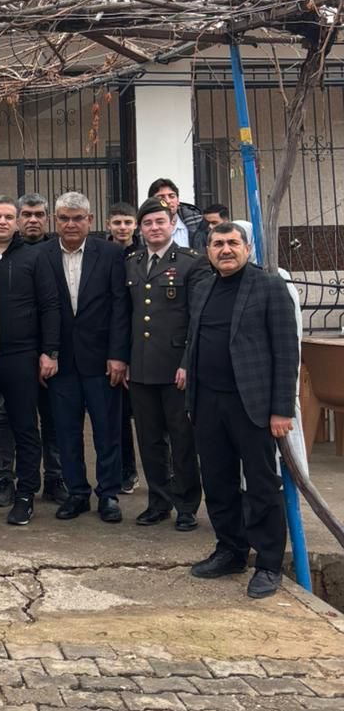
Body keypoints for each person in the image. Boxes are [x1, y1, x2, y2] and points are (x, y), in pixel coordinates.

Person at [183, 222, 300, 600]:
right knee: (218, 482)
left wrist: (281, 410)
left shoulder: (270, 287)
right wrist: (192, 400)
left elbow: (287, 352)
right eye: (218, 243)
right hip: (208, 403)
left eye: (233, 243)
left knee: (262, 485)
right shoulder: (203, 288)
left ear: (247, 249)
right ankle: (231, 551)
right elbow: (194, 343)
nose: (225, 249)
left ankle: (268, 564)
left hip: (253, 405)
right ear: (208, 251)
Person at [0, 196, 59, 527]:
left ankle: (25, 495)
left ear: (17, 222)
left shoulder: (35, 257)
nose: (3, 222)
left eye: (9, 216)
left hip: (22, 355)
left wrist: (49, 351)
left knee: (25, 427)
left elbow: (50, 305)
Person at [41, 192, 130, 524]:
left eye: (77, 218)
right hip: (61, 362)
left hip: (102, 361)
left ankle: (108, 494)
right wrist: (46, 353)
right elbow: (40, 308)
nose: (70, 224)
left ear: (90, 220)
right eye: (64, 218)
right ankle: (77, 492)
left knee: (107, 431)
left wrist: (118, 355)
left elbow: (120, 306)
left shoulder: (111, 254)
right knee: (66, 432)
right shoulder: (42, 255)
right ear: (55, 221)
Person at [125, 198, 212, 533]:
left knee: (182, 439)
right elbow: (126, 316)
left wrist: (189, 363)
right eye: (147, 223)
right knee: (149, 440)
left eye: (160, 222)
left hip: (176, 367)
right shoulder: (132, 263)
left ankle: (187, 505)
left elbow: (198, 318)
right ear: (140, 228)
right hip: (141, 366)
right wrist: (124, 359)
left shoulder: (192, 263)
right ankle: (158, 502)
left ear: (172, 225)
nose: (154, 228)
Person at [105, 202, 140, 492]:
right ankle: (125, 470)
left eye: (127, 222)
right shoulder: (102, 253)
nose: (122, 227)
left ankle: (165, 474)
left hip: (140, 342)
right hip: (112, 342)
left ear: (135, 225)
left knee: (150, 418)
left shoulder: (143, 253)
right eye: (117, 222)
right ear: (108, 225)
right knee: (117, 418)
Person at [146, 178, 207, 252]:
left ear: (178, 201)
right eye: (161, 197)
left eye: (171, 196)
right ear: (151, 202)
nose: (168, 201)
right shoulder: (144, 230)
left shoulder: (197, 224)